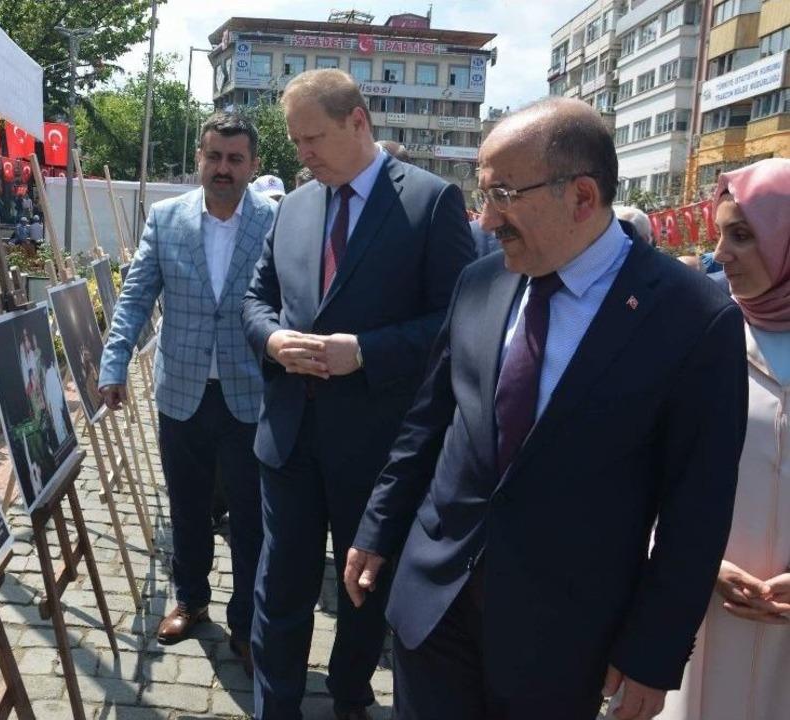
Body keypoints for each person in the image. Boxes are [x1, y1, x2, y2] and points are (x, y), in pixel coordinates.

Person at [343, 97, 748, 720]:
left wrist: (654, 653)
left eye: (502, 194)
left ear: (581, 197)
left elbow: (697, 509)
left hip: (563, 642)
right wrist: (378, 525)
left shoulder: (693, 318)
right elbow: (429, 420)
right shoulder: (482, 281)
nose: (483, 220)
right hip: (434, 606)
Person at [241, 69, 474, 720]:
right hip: (287, 436)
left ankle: (349, 698)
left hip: (377, 443)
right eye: (295, 142)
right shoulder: (292, 206)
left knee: (362, 589)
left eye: (313, 138)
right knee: (277, 587)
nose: (303, 153)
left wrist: (365, 352)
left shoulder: (429, 203)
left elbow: (455, 324)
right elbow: (256, 301)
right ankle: (276, 707)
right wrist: (273, 341)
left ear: (358, 122)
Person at [99, 112, 276, 674]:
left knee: (251, 516)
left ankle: (247, 623)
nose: (223, 168)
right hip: (183, 393)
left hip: (251, 396)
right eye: (214, 157)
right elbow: (135, 296)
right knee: (188, 506)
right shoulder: (166, 218)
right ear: (200, 158)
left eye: (235, 159)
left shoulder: (276, 221)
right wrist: (115, 361)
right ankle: (191, 599)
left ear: (253, 165)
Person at [659, 158, 790, 720]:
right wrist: (698, 561)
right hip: (703, 608)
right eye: (718, 233)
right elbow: (646, 472)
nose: (719, 253)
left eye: (742, 234)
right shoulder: (697, 336)